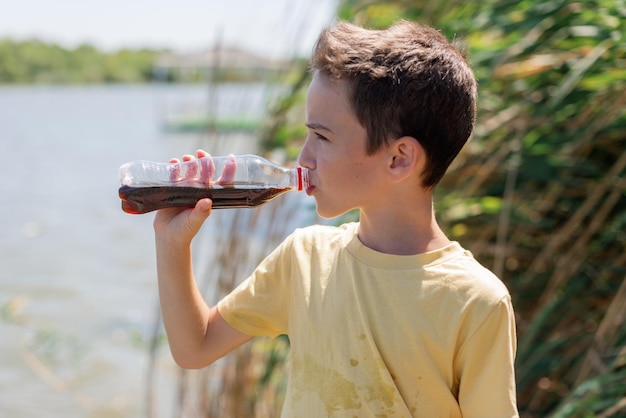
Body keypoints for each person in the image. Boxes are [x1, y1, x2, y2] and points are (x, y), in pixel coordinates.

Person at [153, 20, 518, 417]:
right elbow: (195, 346)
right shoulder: (305, 258)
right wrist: (173, 241)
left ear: (399, 159)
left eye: (322, 138)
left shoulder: (477, 302)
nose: (303, 159)